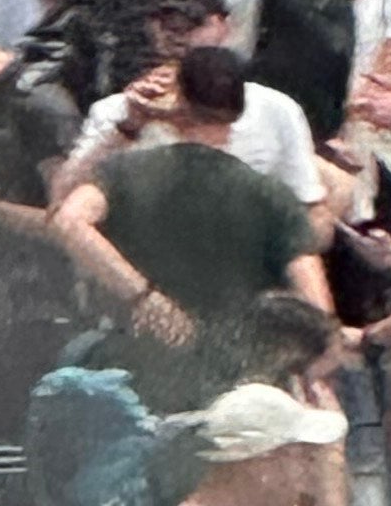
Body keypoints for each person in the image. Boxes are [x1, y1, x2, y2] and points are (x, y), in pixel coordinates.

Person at [53, 43, 332, 409]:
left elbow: (68, 219)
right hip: (240, 385)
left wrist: (143, 296)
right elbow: (317, 309)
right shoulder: (272, 197)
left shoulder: (125, 174)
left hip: (140, 372)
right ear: (240, 108)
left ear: (179, 100)